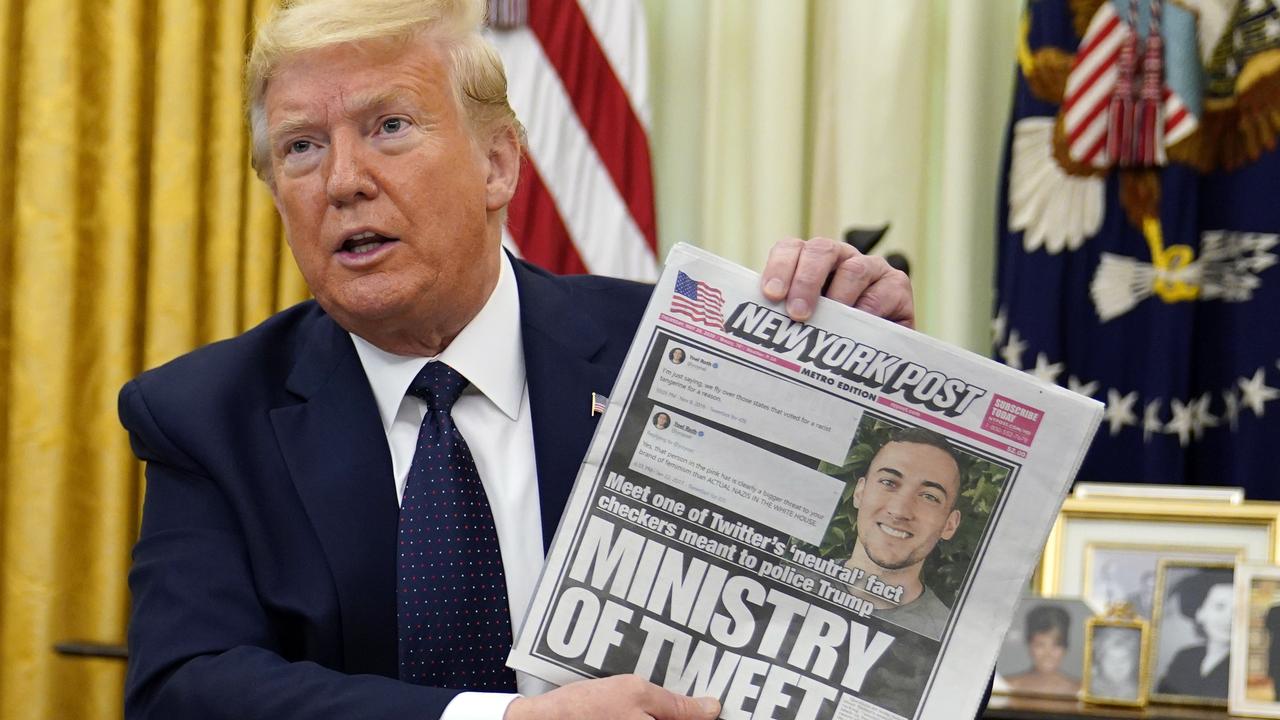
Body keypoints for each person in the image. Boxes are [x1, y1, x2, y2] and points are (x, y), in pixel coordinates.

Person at [119, 1, 919, 719]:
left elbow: (893, 662)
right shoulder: (206, 414)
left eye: (389, 126)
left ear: (499, 163)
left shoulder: (677, 353)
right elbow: (184, 689)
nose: (342, 181)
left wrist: (879, 405)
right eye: (301, 147)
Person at [840, 428, 963, 640]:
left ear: (949, 525)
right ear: (860, 492)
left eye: (929, 496)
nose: (899, 511)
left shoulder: (946, 639)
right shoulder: (793, 574)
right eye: (888, 482)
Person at [1155, 568, 1234, 699]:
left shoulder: (1243, 668)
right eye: (1220, 607)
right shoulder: (1185, 657)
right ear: (1200, 612)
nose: (1229, 618)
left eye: (1237, 610)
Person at [1003, 605, 1081, 697]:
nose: (1048, 654)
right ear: (1029, 645)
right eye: (1040, 645)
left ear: (1065, 647)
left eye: (1056, 645)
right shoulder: (1005, 687)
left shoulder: (1080, 690)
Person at [1087, 626, 1141, 701]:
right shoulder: (1090, 688)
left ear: (1134, 661)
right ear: (1100, 661)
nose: (1117, 665)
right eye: (1110, 659)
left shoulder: (1138, 692)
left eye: (1124, 659)